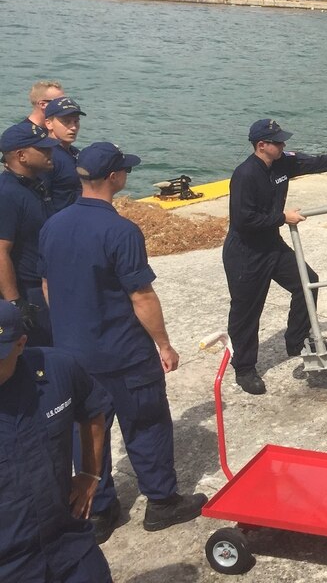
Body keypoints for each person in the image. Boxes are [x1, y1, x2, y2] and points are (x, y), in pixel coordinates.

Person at [38, 142, 208, 540]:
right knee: (146, 423)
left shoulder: (53, 225)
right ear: (114, 177)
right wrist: (164, 344)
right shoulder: (121, 231)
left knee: (87, 426)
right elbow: (141, 296)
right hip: (123, 352)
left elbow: (47, 285)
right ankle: (161, 502)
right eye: (124, 171)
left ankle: (98, 509)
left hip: (72, 352)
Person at [223, 120, 327, 395]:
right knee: (246, 312)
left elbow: (317, 162)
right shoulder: (245, 174)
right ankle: (244, 367)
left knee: (307, 282)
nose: (283, 146)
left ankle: (295, 340)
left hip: (271, 244)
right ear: (262, 146)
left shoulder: (283, 162)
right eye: (278, 142)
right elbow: (243, 219)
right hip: (245, 252)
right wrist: (282, 217)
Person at [0, 301, 115, 579]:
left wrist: (89, 473)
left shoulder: (56, 369)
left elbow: (92, 409)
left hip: (68, 543)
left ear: (20, 343)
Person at [0, 121, 57, 347]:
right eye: (42, 148)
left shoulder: (35, 184)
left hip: (44, 283)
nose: (49, 152)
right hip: (27, 291)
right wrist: (15, 303)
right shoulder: (8, 194)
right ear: (21, 155)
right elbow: (1, 250)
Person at [42, 96, 85, 210]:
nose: (73, 127)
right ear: (49, 123)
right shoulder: (46, 155)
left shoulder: (75, 153)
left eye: (76, 121)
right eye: (66, 122)